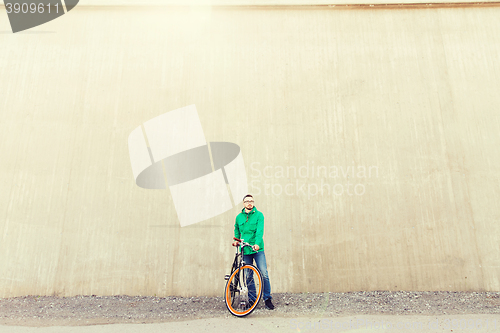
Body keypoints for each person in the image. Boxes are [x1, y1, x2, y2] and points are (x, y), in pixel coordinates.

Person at [232, 194, 275, 310]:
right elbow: (236, 228)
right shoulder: (239, 217)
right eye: (247, 201)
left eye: (251, 201)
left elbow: (259, 232)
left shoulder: (259, 215)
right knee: (248, 275)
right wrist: (236, 240)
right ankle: (252, 299)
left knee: (264, 273)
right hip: (245, 249)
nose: (249, 203)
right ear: (243, 203)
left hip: (257, 249)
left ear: (253, 203)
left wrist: (256, 244)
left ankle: (267, 299)